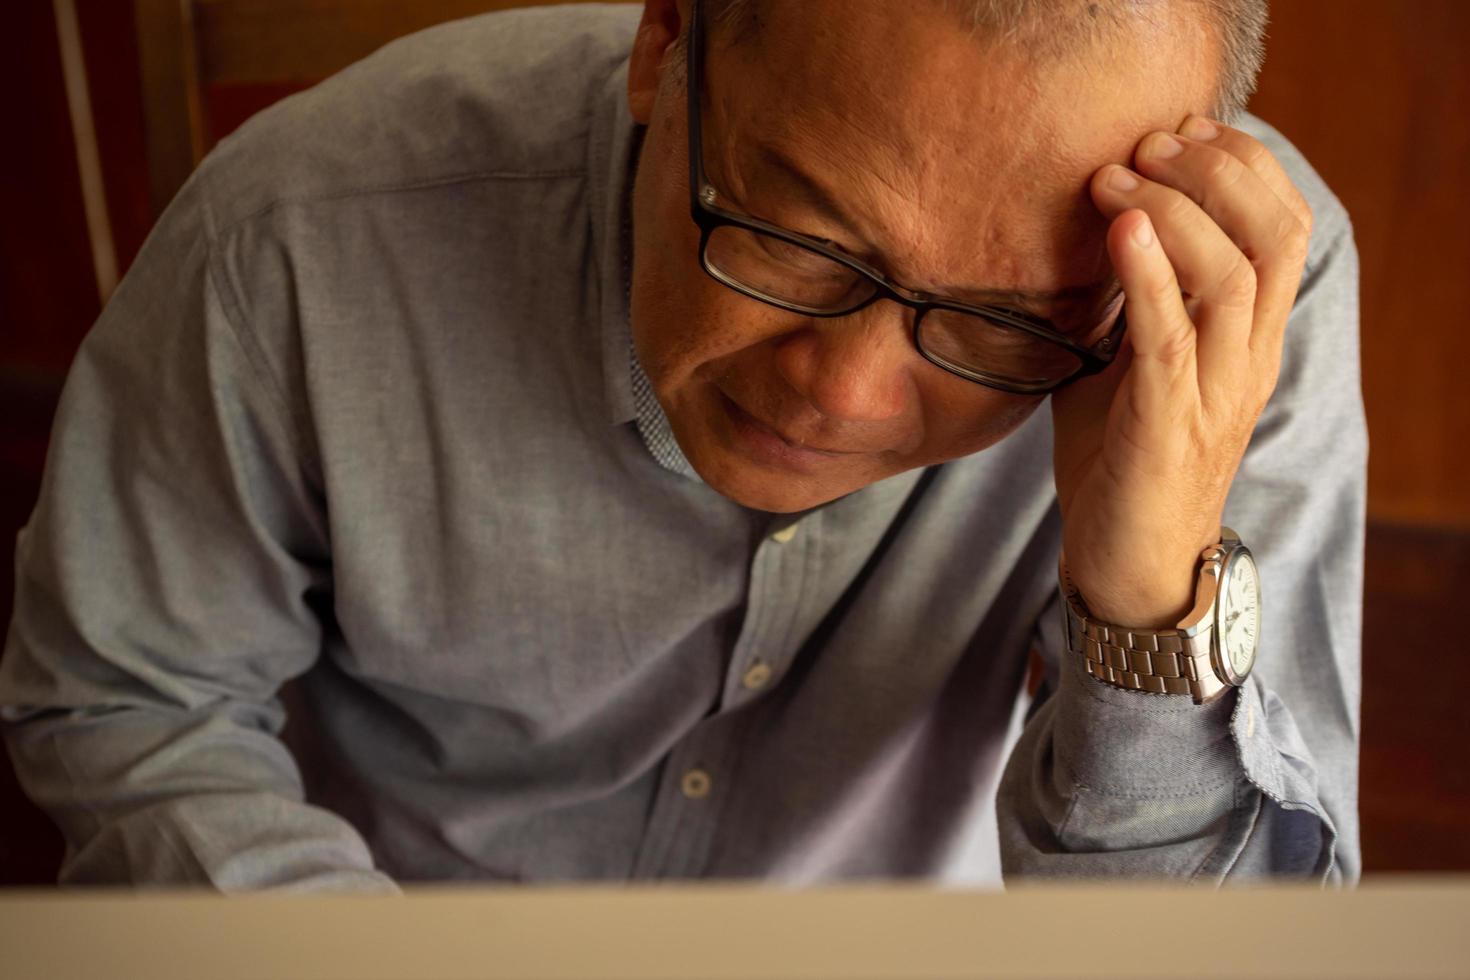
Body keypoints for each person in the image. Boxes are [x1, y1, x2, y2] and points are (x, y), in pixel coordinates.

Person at [0, 0, 1362, 891]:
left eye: (998, 324)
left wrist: (1147, 600)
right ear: (668, 42)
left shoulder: (1219, 302)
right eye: (796, 244)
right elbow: (134, 703)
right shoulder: (298, 231)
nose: (846, 394)